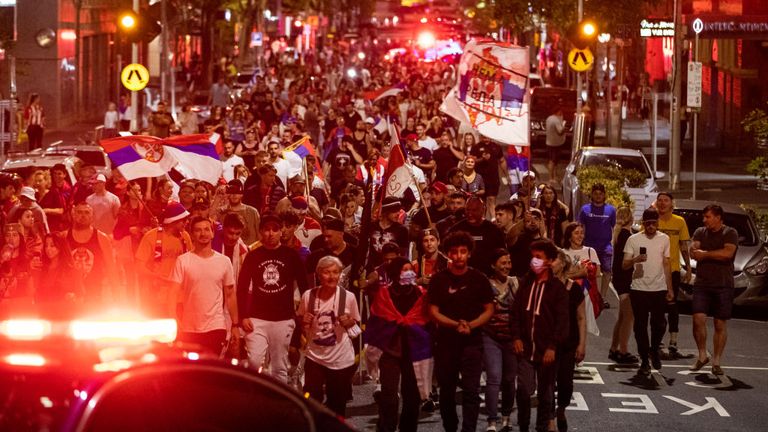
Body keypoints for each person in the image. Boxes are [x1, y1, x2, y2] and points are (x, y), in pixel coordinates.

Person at [428, 231, 495, 432]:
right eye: (455, 252)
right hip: (445, 344)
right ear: (448, 254)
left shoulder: (479, 279)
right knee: (446, 393)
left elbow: (489, 309)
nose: (459, 256)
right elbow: (433, 311)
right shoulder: (439, 280)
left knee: (471, 392)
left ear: (469, 254)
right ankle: (450, 428)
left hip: (472, 343)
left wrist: (471, 325)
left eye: (463, 252)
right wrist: (454, 325)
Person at [237, 214, 308, 383]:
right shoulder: (253, 256)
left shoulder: (291, 255)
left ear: (280, 231)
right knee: (254, 361)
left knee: (279, 365)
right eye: (267, 230)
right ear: (261, 231)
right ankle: (256, 396)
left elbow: (305, 286)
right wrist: (243, 316)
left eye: (275, 229)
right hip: (256, 318)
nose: (270, 233)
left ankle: (280, 403)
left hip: (283, 318)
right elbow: (242, 287)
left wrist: (302, 312)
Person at [366, 257, 432, 432]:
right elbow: (376, 322)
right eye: (404, 269)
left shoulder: (421, 294)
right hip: (390, 351)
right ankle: (386, 428)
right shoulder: (384, 294)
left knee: (412, 397)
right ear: (396, 273)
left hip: (414, 351)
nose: (409, 272)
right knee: (389, 397)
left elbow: (427, 320)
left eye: (411, 269)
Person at [510, 239, 568, 432]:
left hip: (547, 352)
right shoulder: (525, 284)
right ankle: (524, 426)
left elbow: (562, 321)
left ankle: (542, 426)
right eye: (532, 257)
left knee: (545, 394)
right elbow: (516, 313)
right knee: (524, 391)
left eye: (538, 257)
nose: (534, 261)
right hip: (526, 349)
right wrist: (517, 337)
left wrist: (553, 346)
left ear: (550, 260)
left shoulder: (557, 289)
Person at [297, 255, 361, 417]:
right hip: (315, 356)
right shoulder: (308, 296)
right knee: (312, 397)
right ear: (319, 275)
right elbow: (301, 321)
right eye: (327, 272)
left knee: (337, 402)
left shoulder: (349, 297)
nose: (331, 276)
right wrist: (303, 321)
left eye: (335, 272)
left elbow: (356, 324)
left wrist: (349, 323)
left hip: (340, 358)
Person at [170, 216, 239, 355]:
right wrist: (173, 318)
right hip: (189, 327)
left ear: (212, 233)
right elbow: (172, 293)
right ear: (192, 235)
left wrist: (235, 325)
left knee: (212, 369)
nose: (203, 234)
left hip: (216, 326)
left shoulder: (224, 261)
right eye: (198, 230)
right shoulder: (183, 261)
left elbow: (230, 295)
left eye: (207, 229)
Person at [622, 208, 674, 374]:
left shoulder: (664, 239)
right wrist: (636, 259)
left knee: (660, 323)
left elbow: (666, 264)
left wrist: (670, 288)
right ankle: (644, 358)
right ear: (643, 223)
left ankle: (654, 349)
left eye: (654, 223)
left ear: (657, 223)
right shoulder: (633, 239)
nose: (651, 226)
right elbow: (624, 265)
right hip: (639, 288)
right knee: (640, 325)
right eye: (648, 223)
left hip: (659, 288)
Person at [689, 204, 738, 376]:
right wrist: (695, 250)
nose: (705, 220)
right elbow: (693, 250)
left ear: (718, 217)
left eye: (708, 217)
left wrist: (706, 254)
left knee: (719, 323)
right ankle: (702, 355)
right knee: (698, 319)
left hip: (723, 284)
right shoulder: (700, 232)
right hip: (702, 283)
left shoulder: (729, 233)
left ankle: (716, 360)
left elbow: (727, 254)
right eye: (704, 217)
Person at [483, 248, 527, 432]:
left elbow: (522, 312)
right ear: (493, 265)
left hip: (511, 338)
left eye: (508, 262)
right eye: (503, 263)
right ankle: (492, 422)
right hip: (490, 337)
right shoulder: (485, 284)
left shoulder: (516, 283)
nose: (507, 266)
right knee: (494, 377)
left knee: (509, 379)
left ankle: (506, 417)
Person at [549, 251, 586, 432]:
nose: (550, 263)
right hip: (547, 343)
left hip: (569, 343)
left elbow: (581, 318)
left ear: (563, 264)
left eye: (554, 260)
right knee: (547, 383)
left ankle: (561, 409)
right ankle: (550, 420)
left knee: (565, 383)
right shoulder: (543, 287)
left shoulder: (574, 289)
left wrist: (582, 344)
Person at [135, 202, 193, 316]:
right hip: (156, 298)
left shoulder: (185, 237)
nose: (186, 223)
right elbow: (139, 267)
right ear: (173, 221)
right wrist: (157, 277)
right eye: (183, 220)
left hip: (180, 298)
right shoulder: (151, 237)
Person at [654, 192, 692, 358]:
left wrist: (689, 267)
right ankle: (658, 340)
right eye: (660, 200)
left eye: (666, 201)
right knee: (657, 307)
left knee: (672, 304)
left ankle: (673, 340)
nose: (662, 203)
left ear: (671, 203)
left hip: (673, 270)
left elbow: (684, 245)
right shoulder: (652, 219)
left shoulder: (679, 221)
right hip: (654, 271)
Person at [65, 201, 115, 304]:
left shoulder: (102, 238)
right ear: (73, 215)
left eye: (87, 212)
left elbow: (112, 269)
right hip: (69, 294)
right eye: (79, 212)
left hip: (94, 293)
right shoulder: (64, 236)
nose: (83, 215)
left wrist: (117, 296)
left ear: (92, 216)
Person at [609, 206, 639, 364]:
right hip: (625, 278)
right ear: (630, 218)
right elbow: (625, 262)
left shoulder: (619, 234)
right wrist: (637, 259)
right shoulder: (627, 236)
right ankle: (623, 350)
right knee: (628, 316)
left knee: (622, 316)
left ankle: (614, 348)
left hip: (619, 277)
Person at [578, 183, 616, 308]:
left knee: (606, 271)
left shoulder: (611, 210)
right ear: (592, 195)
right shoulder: (585, 209)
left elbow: (614, 227)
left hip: (605, 246)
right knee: (590, 272)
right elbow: (580, 226)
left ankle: (602, 297)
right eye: (596, 193)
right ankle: (590, 296)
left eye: (601, 193)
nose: (598, 196)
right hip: (589, 246)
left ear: (604, 195)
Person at [447, 196, 506, 275]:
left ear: (483, 210)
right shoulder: (456, 230)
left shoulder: (494, 230)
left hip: (489, 276)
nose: (470, 214)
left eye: (474, 210)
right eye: (467, 210)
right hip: (462, 275)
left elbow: (502, 255)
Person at [33, 233, 83, 307]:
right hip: (44, 311)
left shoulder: (71, 269)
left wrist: (73, 296)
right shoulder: (42, 267)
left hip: (65, 311)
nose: (48, 249)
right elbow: (33, 291)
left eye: (52, 245)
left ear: (60, 246)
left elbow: (80, 295)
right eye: (46, 245)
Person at [219, 180, 260, 245]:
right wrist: (218, 197)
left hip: (249, 251)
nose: (234, 195)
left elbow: (259, 235)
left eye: (237, 192)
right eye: (231, 192)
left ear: (242, 194)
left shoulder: (253, 212)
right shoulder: (221, 211)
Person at [545, 106, 566, 183]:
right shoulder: (556, 120)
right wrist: (563, 125)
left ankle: (554, 177)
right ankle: (551, 178)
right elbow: (560, 131)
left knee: (553, 161)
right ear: (558, 112)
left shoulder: (549, 118)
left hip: (549, 142)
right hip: (555, 143)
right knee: (553, 161)